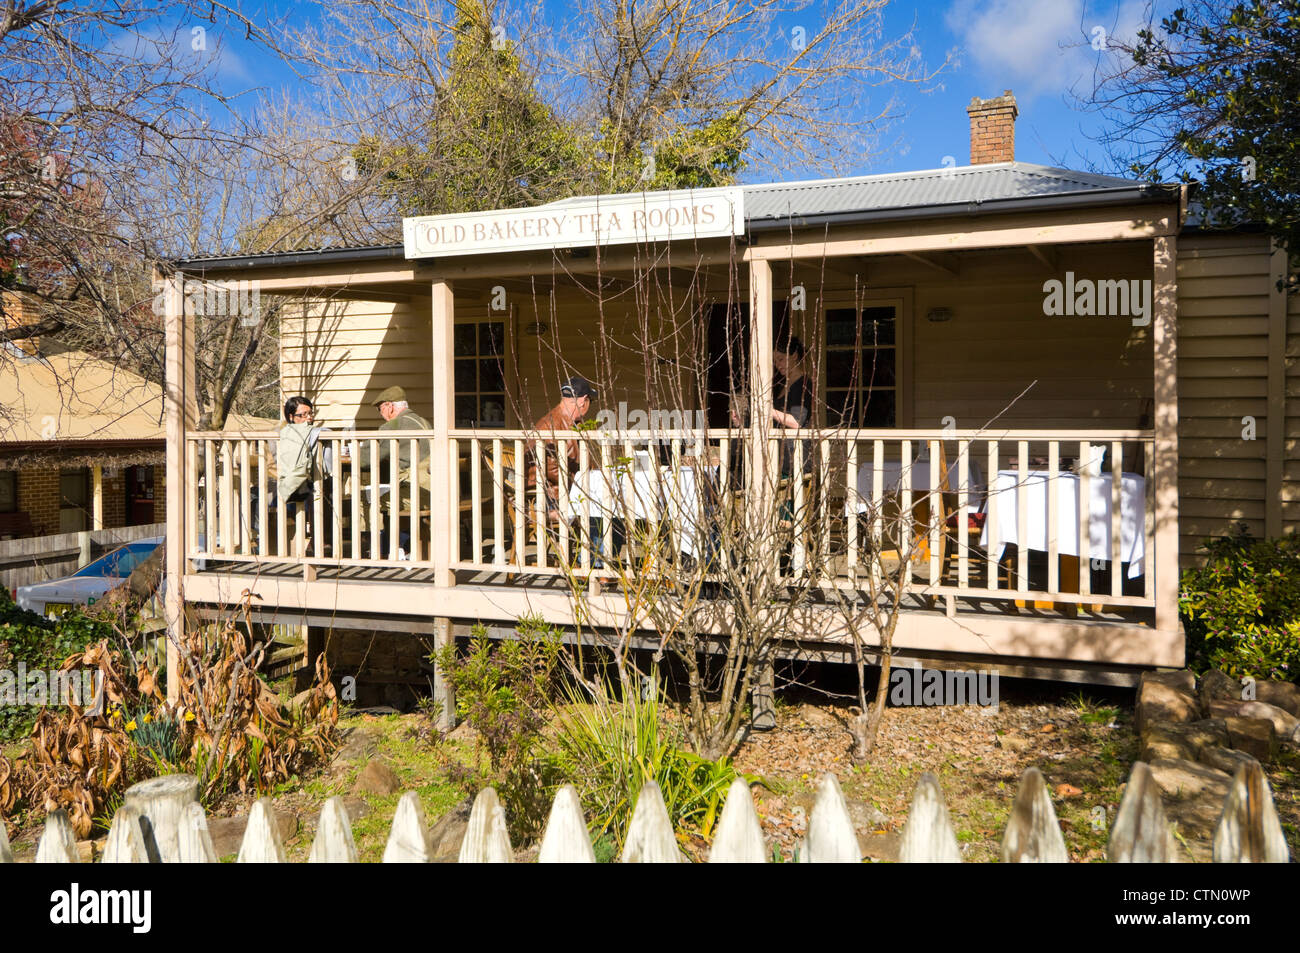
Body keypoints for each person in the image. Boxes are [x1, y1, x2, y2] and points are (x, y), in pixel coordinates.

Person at [528, 376, 623, 567]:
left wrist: (597, 476)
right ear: (583, 401)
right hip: (549, 496)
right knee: (603, 509)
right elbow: (546, 470)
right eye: (590, 402)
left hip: (569, 490)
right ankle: (593, 566)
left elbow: (584, 463)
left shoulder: (574, 424)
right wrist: (584, 482)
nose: (589, 407)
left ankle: (593, 563)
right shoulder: (549, 425)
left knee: (615, 504)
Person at [371, 385, 431, 558]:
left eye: (380, 408)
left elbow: (366, 459)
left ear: (389, 406)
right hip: (433, 490)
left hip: (417, 492)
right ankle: (403, 545)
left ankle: (388, 549)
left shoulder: (393, 425)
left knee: (370, 500)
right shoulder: (423, 422)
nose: (380, 413)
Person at [277, 396, 333, 553]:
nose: (308, 418)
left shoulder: (314, 433)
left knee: (324, 490)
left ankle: (321, 541)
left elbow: (326, 432)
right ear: (291, 417)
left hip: (314, 479)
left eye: (310, 413)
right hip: (292, 481)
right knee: (319, 492)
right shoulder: (286, 434)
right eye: (303, 415)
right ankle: (318, 543)